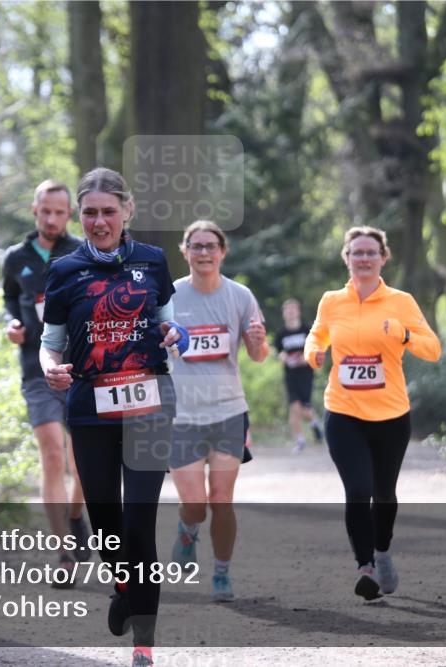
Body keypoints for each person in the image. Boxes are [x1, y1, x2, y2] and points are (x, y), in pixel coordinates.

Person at [39, 167, 187, 667]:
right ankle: (123, 584)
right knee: (106, 524)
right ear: (80, 216)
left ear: (128, 211)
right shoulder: (63, 270)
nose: (99, 221)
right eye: (90, 213)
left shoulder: (152, 260)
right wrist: (51, 370)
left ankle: (144, 642)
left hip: (149, 403)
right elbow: (49, 344)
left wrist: (176, 336)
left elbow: (169, 323)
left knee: (140, 525)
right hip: (90, 407)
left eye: (108, 211)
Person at [304, 226, 441, 600]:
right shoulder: (332, 300)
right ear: (346, 258)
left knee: (384, 494)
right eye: (357, 252)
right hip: (344, 412)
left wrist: (405, 334)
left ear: (383, 258)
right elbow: (317, 336)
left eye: (371, 252)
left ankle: (382, 553)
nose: (364, 258)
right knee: (358, 490)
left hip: (391, 415)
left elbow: (433, 349)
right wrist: (313, 353)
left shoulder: (402, 301)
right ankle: (364, 566)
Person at [168, 220, 268, 603]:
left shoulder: (240, 296)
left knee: (221, 499)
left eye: (211, 246)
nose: (204, 252)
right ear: (185, 251)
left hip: (228, 411)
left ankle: (222, 574)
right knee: (195, 505)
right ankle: (186, 529)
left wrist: (258, 343)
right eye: (197, 246)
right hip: (182, 417)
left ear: (223, 252)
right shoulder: (170, 296)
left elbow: (258, 356)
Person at [2, 179, 92, 585]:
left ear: (68, 215)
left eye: (60, 212)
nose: (52, 218)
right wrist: (12, 324)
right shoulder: (15, 258)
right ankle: (65, 553)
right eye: (45, 211)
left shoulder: (81, 252)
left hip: (83, 370)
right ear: (34, 210)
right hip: (37, 370)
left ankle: (76, 516)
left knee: (83, 462)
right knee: (53, 453)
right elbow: (9, 301)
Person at [274, 298, 324, 454]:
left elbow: (316, 348)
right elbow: (278, 351)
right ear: (283, 313)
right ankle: (301, 439)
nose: (290, 312)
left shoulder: (306, 330)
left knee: (302, 408)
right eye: (287, 310)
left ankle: (315, 423)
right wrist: (282, 357)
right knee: (294, 406)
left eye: (293, 309)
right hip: (290, 375)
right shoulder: (281, 333)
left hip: (306, 375)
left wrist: (306, 358)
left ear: (298, 312)